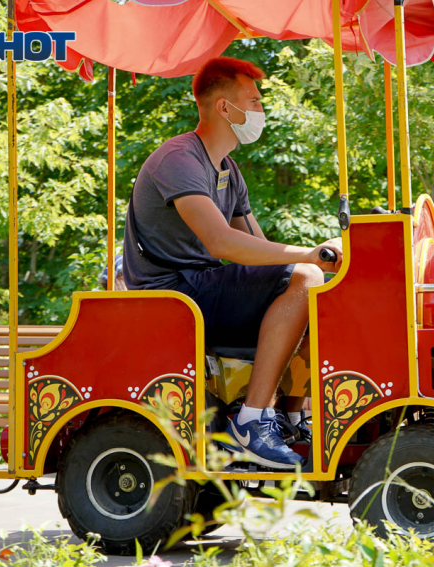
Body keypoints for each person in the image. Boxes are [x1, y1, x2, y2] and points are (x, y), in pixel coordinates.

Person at [122, 57, 342, 470]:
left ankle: (289, 415)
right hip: (172, 294)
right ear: (225, 108)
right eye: (254, 102)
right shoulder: (179, 158)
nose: (261, 111)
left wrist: (320, 261)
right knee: (308, 275)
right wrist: (310, 257)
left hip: (203, 287)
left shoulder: (228, 169)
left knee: (323, 290)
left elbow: (257, 249)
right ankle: (250, 422)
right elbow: (222, 241)